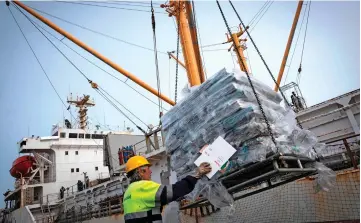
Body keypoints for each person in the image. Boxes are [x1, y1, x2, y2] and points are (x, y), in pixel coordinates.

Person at [123, 155, 211, 223]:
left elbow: (145, 208)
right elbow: (174, 191)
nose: (151, 171)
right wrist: (197, 174)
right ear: (140, 172)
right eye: (148, 169)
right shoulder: (142, 187)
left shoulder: (128, 192)